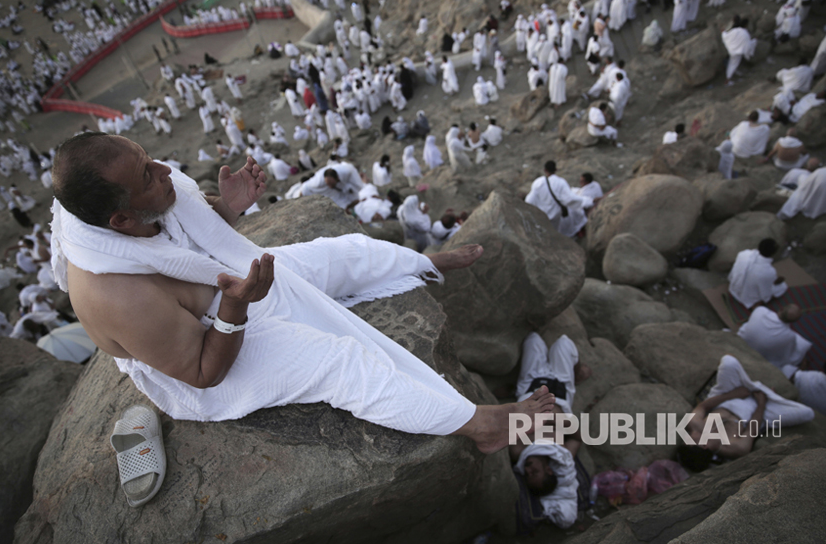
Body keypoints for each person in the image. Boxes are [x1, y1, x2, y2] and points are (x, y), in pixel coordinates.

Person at [51, 134, 556, 449]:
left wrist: (226, 210)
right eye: (148, 174)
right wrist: (235, 305)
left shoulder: (141, 198)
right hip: (211, 344)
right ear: (119, 220)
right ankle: (478, 425)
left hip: (229, 284)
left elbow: (181, 229)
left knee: (342, 252)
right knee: (341, 361)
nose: (165, 172)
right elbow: (202, 373)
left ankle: (421, 263)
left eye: (148, 159)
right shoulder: (115, 294)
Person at [509, 333, 590, 529]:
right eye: (534, 471)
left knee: (533, 340)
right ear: (548, 470)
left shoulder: (519, 452)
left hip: (531, 386)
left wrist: (542, 416)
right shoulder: (562, 453)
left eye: (527, 474)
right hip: (561, 393)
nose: (527, 469)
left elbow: (515, 423)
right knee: (564, 343)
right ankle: (578, 371)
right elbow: (578, 437)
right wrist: (557, 418)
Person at [680, 355, 813, 469]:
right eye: (690, 439)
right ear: (704, 445)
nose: (690, 435)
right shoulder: (736, 448)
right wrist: (761, 403)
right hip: (756, 412)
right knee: (807, 413)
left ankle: (756, 388)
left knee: (728, 361)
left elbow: (703, 406)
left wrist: (733, 394)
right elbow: (752, 428)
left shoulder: (694, 425)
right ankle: (761, 391)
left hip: (727, 397)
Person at [525, 161, 587, 237]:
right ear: (555, 169)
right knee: (554, 234)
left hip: (542, 215)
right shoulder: (561, 182)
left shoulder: (538, 182)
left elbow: (529, 200)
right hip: (555, 216)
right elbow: (570, 198)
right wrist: (584, 201)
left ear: (545, 170)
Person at [737, 305, 811, 369]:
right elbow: (786, 356)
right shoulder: (790, 336)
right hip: (759, 357)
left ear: (781, 309)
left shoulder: (761, 310)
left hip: (742, 340)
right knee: (803, 345)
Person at [728, 238, 788, 309]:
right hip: (746, 300)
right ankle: (756, 304)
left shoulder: (743, 254)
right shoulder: (769, 271)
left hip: (733, 289)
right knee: (783, 286)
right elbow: (765, 295)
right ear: (773, 253)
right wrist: (772, 282)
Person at [722, 17, 756, 85]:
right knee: (733, 65)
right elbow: (748, 45)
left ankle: (728, 78)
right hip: (738, 52)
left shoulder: (735, 30)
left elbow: (727, 36)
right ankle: (727, 80)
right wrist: (754, 42)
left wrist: (723, 33)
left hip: (731, 50)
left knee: (732, 64)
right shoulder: (746, 34)